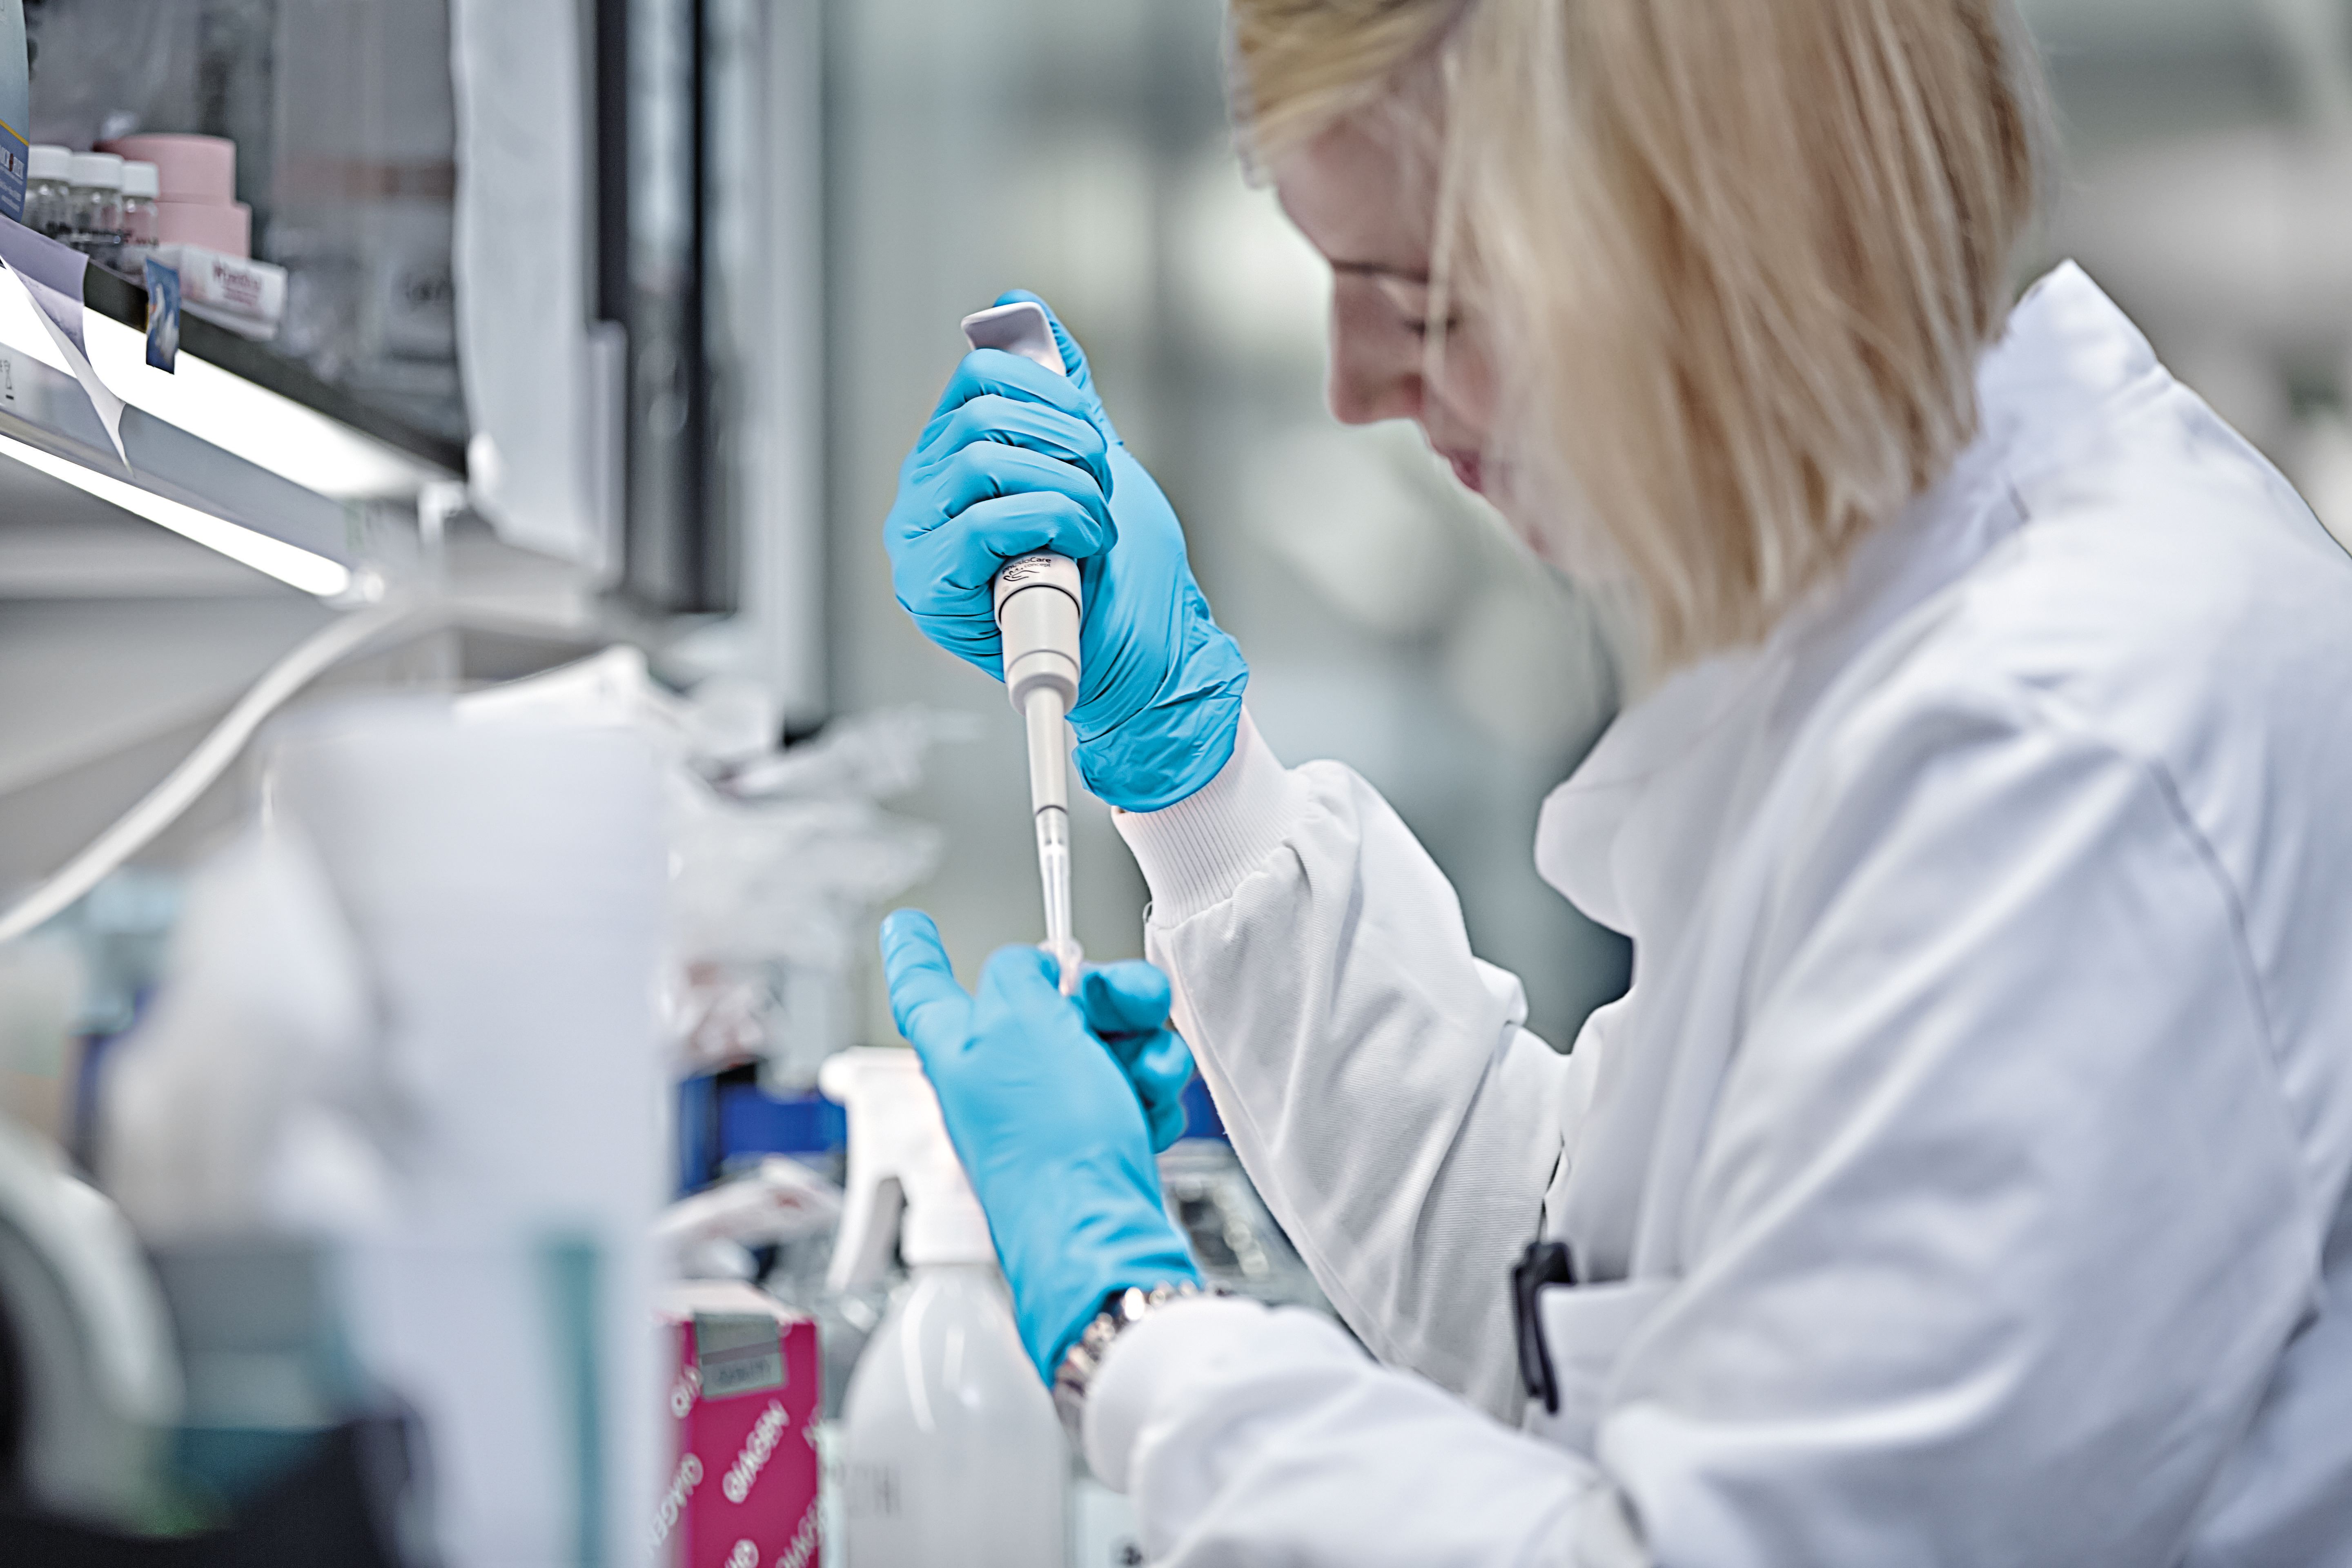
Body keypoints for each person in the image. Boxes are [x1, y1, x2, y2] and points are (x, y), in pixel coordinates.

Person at [879, 1, 2352, 1561]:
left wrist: (1132, 1335)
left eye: (1426, 305)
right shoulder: (1886, 647)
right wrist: (1190, 777)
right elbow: (1571, 1295)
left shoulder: (2065, 745)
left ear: (1719, 240)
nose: (1355, 386)